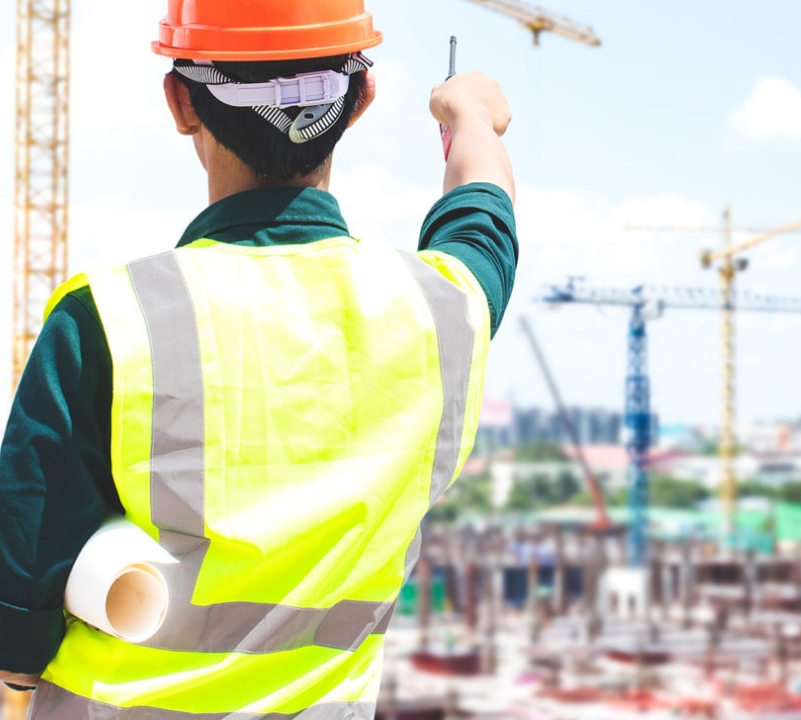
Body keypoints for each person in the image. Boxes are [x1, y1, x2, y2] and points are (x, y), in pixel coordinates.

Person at [0, 1, 517, 716]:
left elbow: (19, 596)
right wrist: (472, 122)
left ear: (181, 102)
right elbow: (481, 225)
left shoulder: (109, 322)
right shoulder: (439, 313)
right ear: (361, 99)